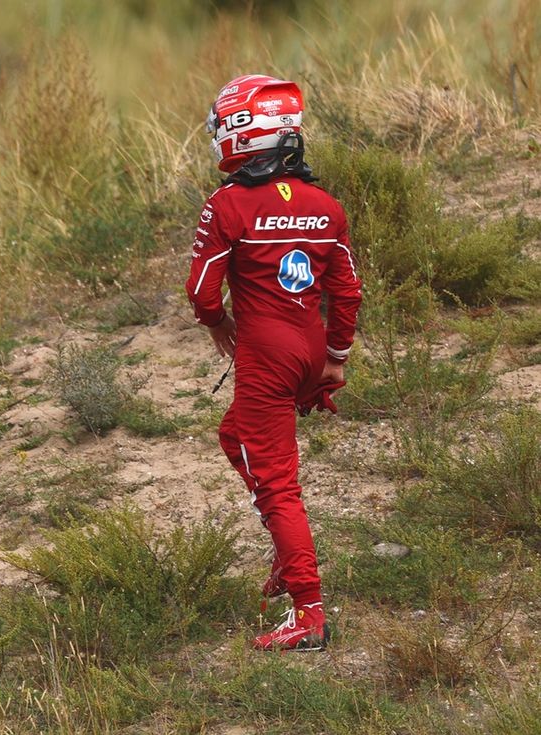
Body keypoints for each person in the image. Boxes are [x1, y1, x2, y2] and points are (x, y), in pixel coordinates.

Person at [184, 74, 362, 651]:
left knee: (278, 485)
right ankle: (289, 563)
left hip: (265, 355)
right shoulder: (325, 205)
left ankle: (308, 611)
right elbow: (348, 291)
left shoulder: (228, 204)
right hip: (310, 347)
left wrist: (217, 325)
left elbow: (203, 290)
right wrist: (333, 361)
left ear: (241, 131)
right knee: (234, 435)